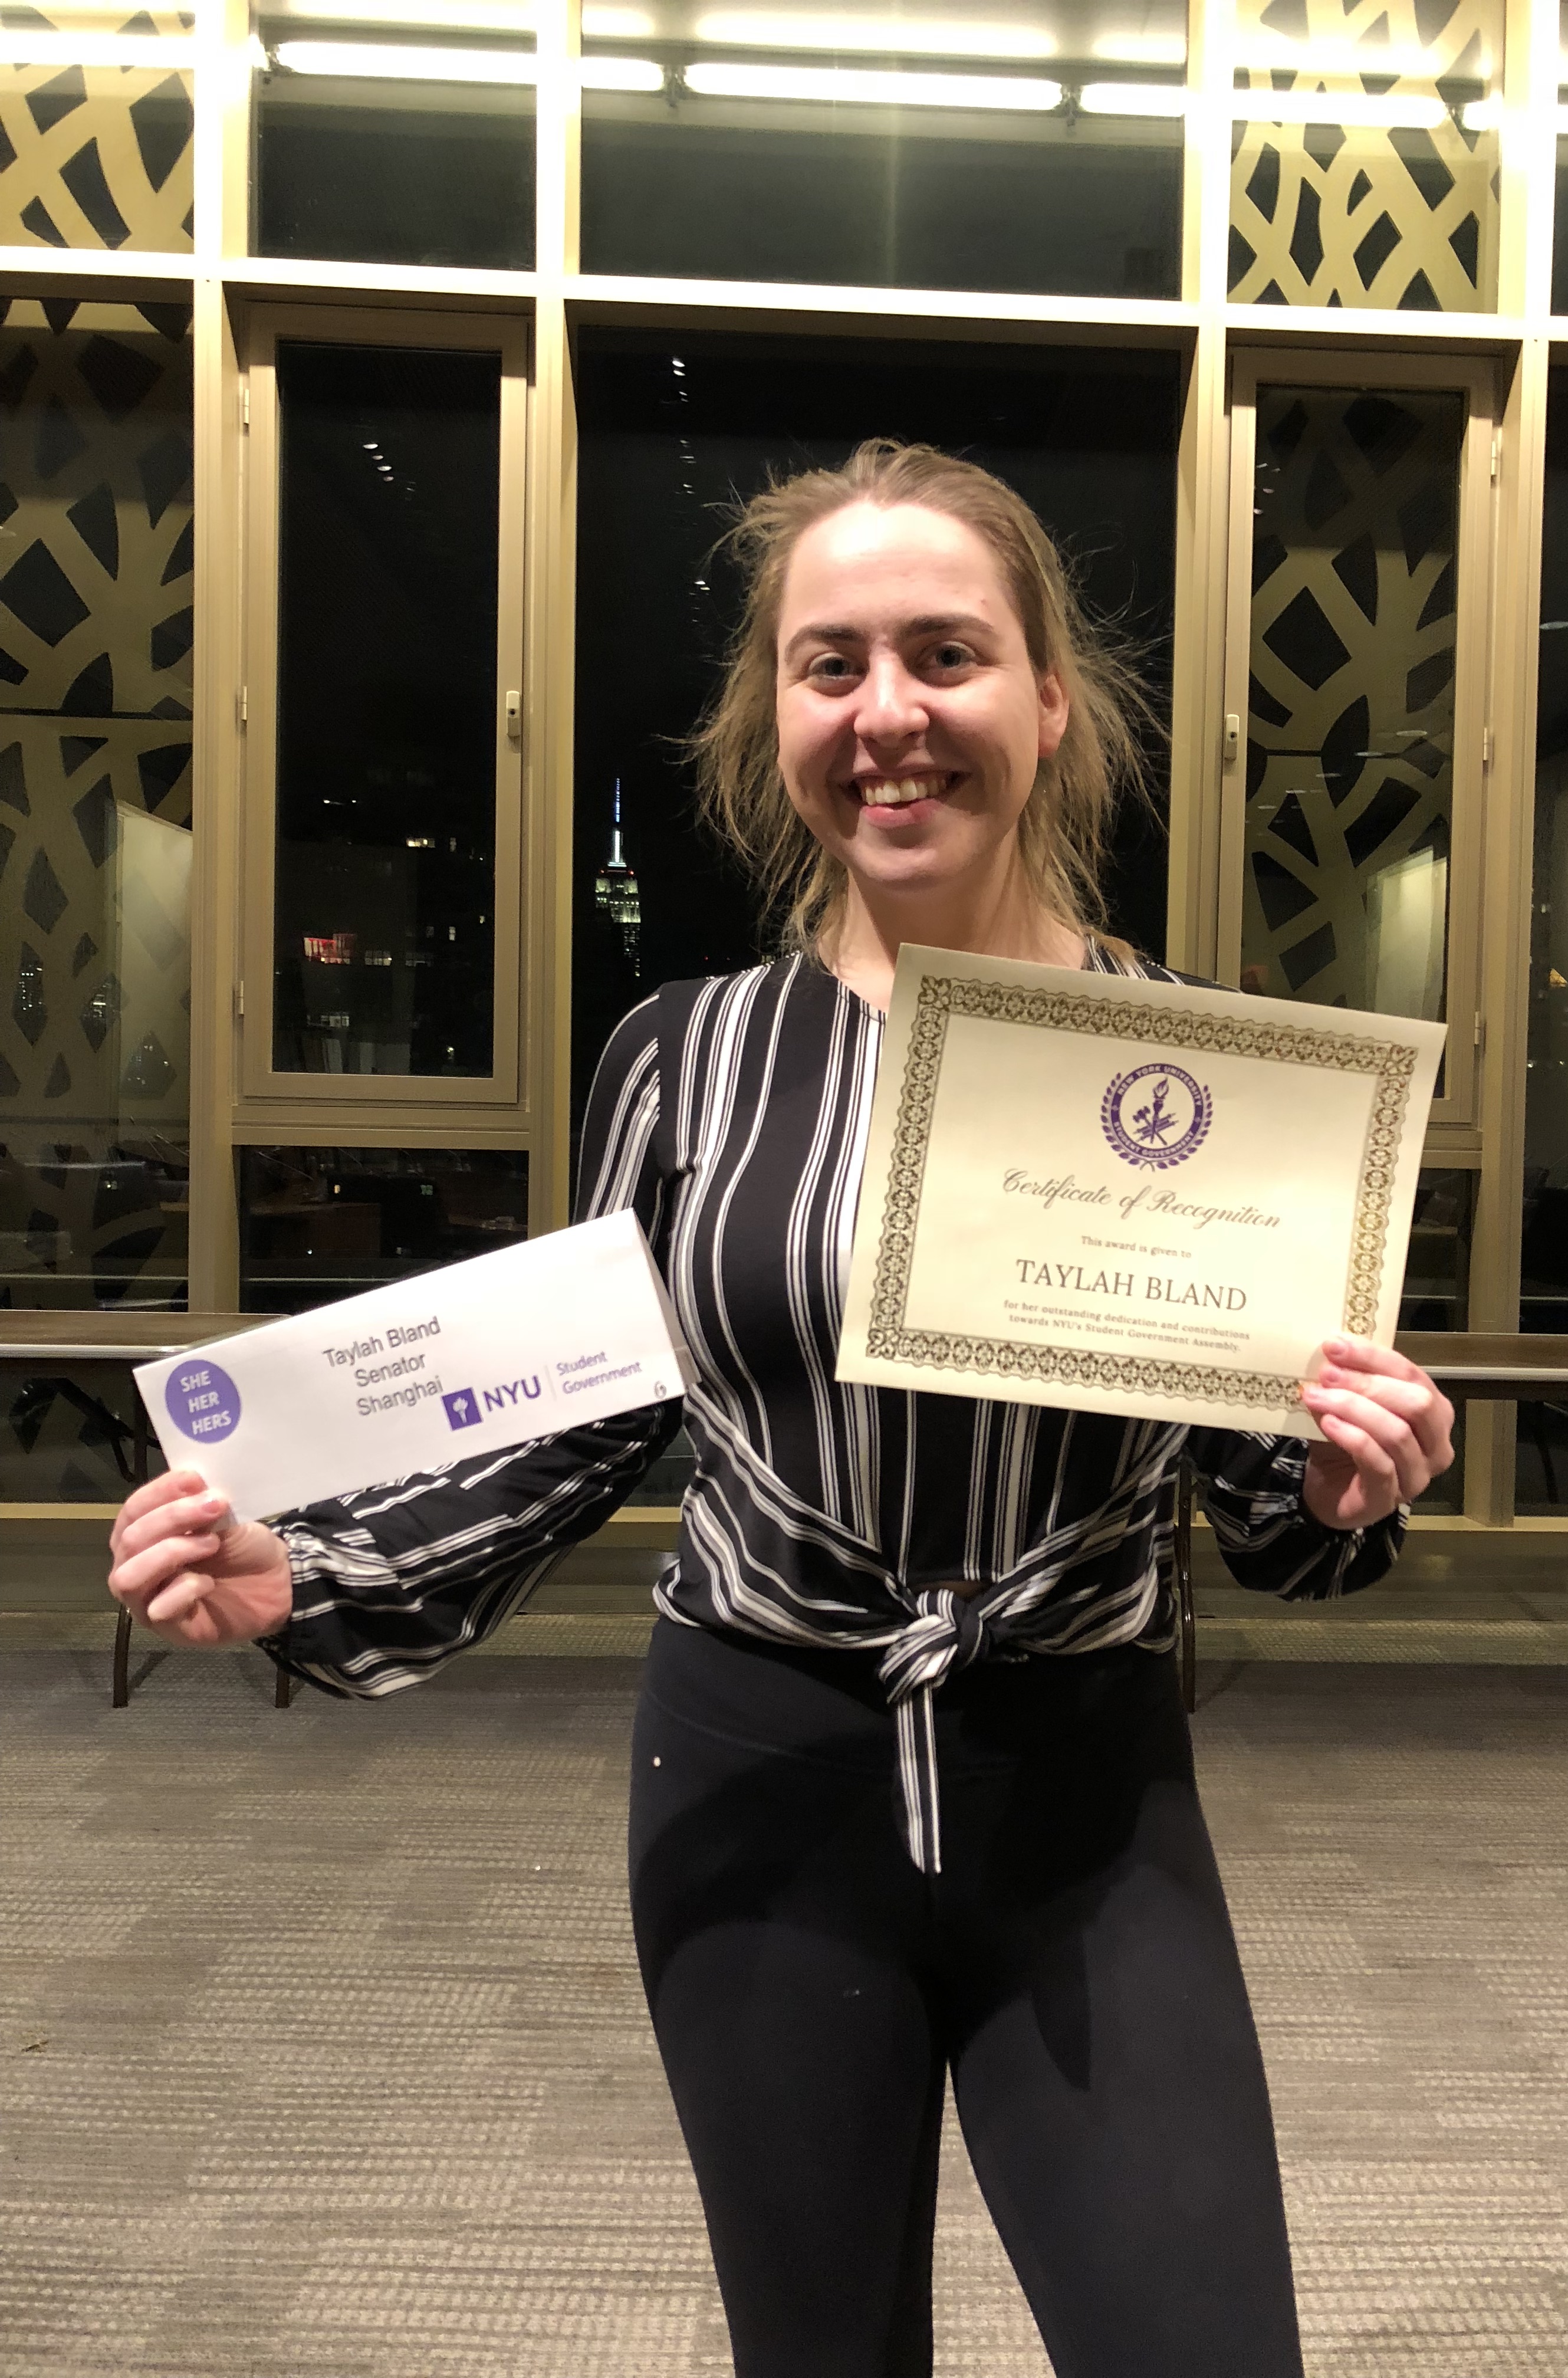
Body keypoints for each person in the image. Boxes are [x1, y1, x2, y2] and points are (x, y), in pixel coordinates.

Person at [108, 441, 1455, 2378]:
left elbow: (1267, 1496)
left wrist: (1339, 1482)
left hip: (1085, 1793)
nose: (889, 715)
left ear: (1048, 702)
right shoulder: (687, 1060)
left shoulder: (1200, 1075)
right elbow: (573, 1420)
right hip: (758, 1777)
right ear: (776, 717)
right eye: (832, 667)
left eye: (946, 655)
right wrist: (304, 1573)